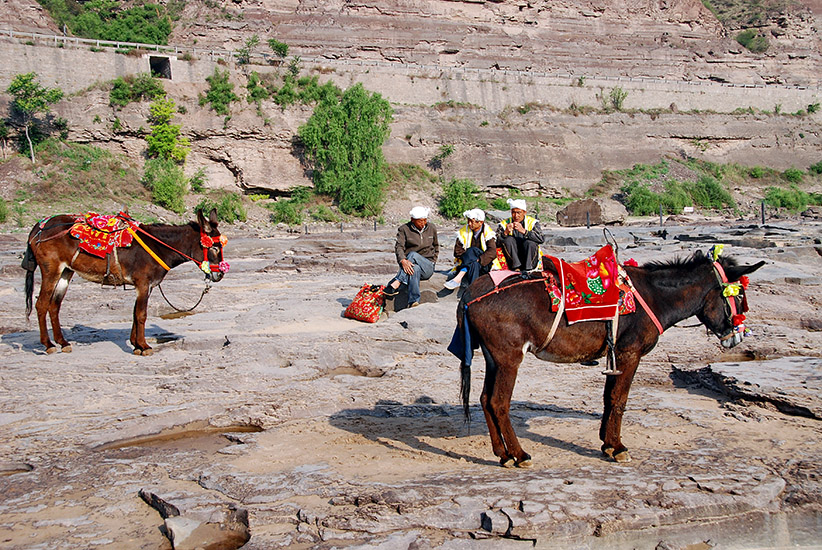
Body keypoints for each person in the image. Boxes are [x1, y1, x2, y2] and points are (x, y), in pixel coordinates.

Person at [384, 206, 439, 307]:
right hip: (411, 264)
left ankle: (398, 281)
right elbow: (399, 247)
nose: (423, 223)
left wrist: (434, 260)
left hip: (427, 265)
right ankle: (413, 301)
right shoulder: (404, 229)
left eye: (425, 220)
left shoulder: (432, 228)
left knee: (412, 254)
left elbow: (436, 246)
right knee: (415, 269)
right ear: (412, 220)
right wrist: (403, 261)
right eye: (420, 221)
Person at [444, 208, 500, 290]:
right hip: (470, 264)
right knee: (473, 262)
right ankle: (473, 289)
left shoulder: (488, 233)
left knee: (472, 250)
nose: (469, 224)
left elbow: (492, 252)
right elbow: (457, 252)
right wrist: (473, 260)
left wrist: (479, 259)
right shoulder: (463, 232)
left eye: (472, 222)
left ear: (480, 222)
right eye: (468, 221)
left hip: (484, 264)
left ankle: (459, 277)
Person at [497, 198, 544, 272]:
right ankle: (516, 267)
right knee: (509, 240)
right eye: (513, 212)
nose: (516, 216)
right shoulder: (504, 224)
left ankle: (528, 268)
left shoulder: (532, 223)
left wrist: (525, 232)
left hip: (529, 256)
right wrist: (505, 233)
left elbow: (541, 239)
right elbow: (496, 243)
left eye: (519, 213)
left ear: (524, 212)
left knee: (530, 242)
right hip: (512, 258)